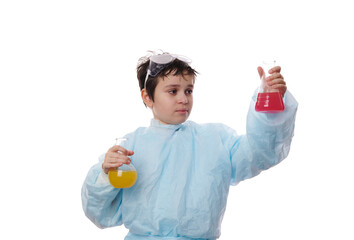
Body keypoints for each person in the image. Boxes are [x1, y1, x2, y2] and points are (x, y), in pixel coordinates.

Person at [81, 52, 298, 240]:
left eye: (189, 90)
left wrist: (270, 104)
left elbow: (261, 153)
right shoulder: (130, 147)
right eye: (173, 91)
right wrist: (104, 174)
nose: (184, 99)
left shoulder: (216, 140)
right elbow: (98, 212)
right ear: (147, 97)